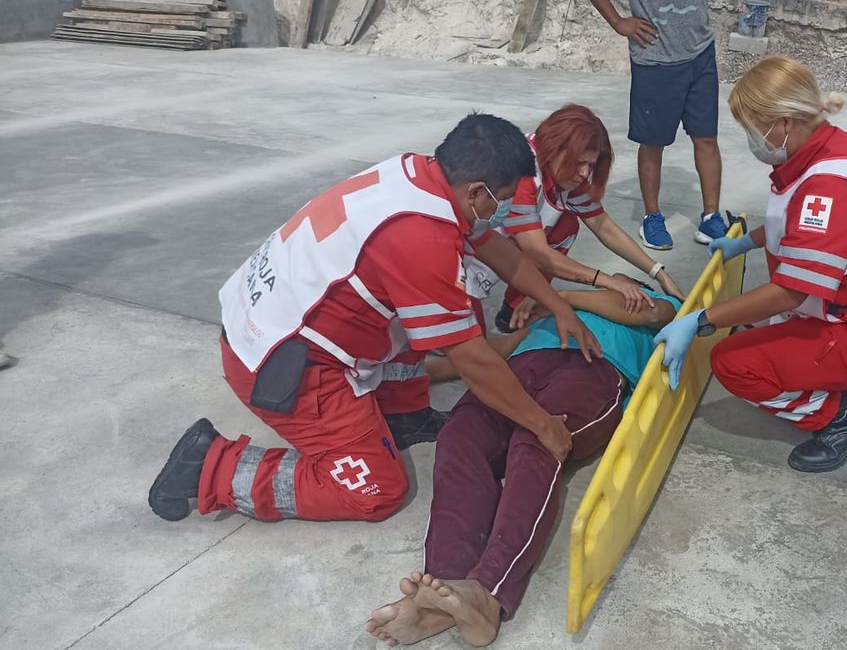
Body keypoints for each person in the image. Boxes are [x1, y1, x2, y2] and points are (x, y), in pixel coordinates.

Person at [147, 114, 603, 524]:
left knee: (410, 316)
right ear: (476, 192)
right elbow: (473, 361)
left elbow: (497, 248)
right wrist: (544, 426)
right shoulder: (421, 236)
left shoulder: (420, 176)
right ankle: (211, 466)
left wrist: (560, 305)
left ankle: (404, 414)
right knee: (377, 491)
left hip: (275, 321)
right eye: (500, 201)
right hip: (282, 366)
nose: (501, 212)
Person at [656, 57, 847, 474]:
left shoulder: (829, 187)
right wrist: (747, 243)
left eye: (753, 127)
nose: (752, 140)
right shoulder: (832, 147)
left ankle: (842, 417)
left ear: (783, 123)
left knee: (734, 363)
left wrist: (701, 320)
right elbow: (802, 227)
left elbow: (791, 291)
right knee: (765, 333)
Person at [365, 287, 681, 646]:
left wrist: (556, 297)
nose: (613, 281)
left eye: (620, 279)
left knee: (537, 442)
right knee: (459, 436)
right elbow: (495, 351)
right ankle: (442, 593)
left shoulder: (646, 302)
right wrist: (419, 374)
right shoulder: (551, 313)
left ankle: (488, 591)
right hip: (519, 368)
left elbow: (651, 314)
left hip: (595, 368)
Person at [575, 0, 743, 251]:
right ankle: (652, 217)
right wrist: (618, 21)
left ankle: (711, 217)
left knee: (706, 138)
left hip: (700, 51)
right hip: (656, 57)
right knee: (653, 143)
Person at [463, 104, 687, 332]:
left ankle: (515, 309)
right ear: (554, 147)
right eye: (579, 162)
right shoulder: (522, 172)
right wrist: (607, 281)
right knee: (465, 349)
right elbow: (537, 252)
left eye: (590, 165)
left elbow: (603, 226)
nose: (584, 173)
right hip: (461, 252)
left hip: (491, 246)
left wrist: (658, 272)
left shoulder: (565, 175)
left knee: (565, 226)